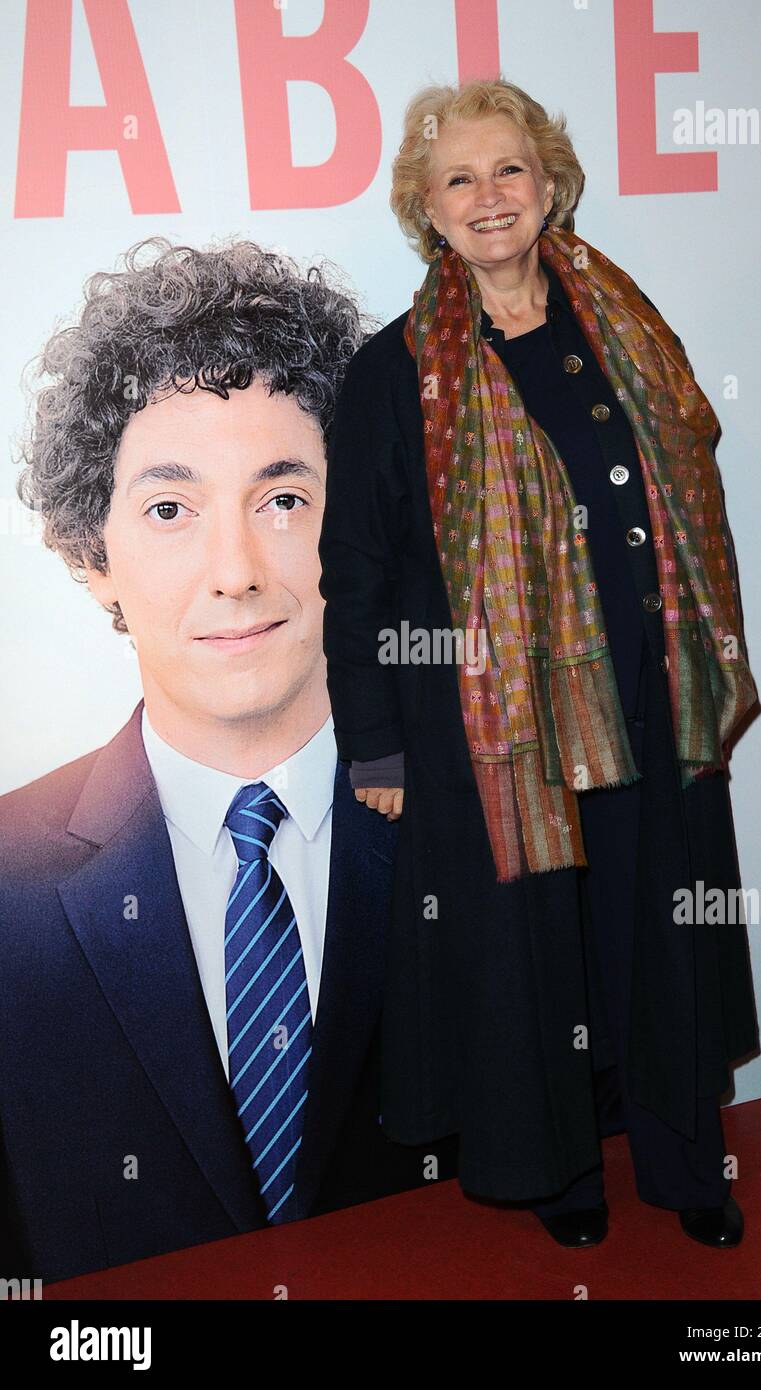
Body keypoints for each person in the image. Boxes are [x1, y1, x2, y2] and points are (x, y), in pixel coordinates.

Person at [318, 79, 761, 1249]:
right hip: (492, 730)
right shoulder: (395, 370)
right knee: (535, 954)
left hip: (648, 696)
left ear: (549, 179)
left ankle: (684, 1167)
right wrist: (373, 738)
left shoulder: (620, 321)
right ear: (427, 210)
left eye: (507, 169)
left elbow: (684, 483)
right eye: (459, 179)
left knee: (659, 935)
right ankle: (562, 1171)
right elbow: (355, 566)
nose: (489, 197)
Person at [0, 238, 455, 1285]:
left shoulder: (490, 825)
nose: (238, 572)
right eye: (170, 508)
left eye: (284, 499)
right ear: (90, 557)